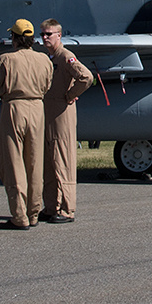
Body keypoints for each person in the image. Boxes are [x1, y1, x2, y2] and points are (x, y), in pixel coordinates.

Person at [0, 19, 52, 230]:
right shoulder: (44, 59)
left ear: (14, 38)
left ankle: (19, 216)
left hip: (14, 108)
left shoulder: (6, 59)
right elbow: (47, 85)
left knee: (13, 163)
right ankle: (33, 213)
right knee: (35, 163)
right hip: (38, 108)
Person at [40, 18, 93, 224]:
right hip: (49, 114)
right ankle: (52, 205)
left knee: (63, 161)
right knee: (49, 163)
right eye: (42, 34)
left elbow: (86, 77)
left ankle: (67, 210)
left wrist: (70, 95)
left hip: (62, 114)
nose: (44, 37)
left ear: (59, 35)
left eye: (49, 34)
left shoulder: (65, 56)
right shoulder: (49, 58)